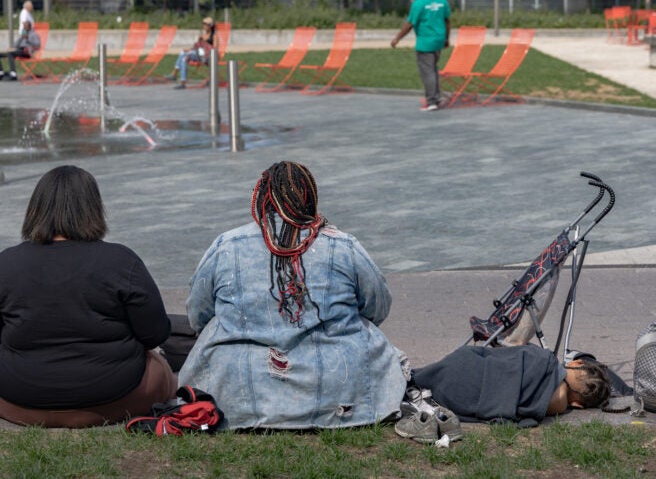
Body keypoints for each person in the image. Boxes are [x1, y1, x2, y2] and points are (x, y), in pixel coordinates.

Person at [178, 161, 407, 430]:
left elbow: (199, 312)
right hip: (338, 391)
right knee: (367, 333)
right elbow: (377, 306)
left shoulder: (227, 245)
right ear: (310, 198)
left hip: (238, 394)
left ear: (261, 198)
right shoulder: (343, 245)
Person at [0, 166, 176, 428]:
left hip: (20, 402)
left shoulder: (6, 263)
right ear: (93, 208)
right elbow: (155, 334)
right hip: (113, 398)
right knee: (159, 366)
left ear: (35, 209)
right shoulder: (121, 261)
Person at [408, 344, 611, 427]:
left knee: (420, 375)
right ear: (578, 405)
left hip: (463, 368)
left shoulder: (543, 358)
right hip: (463, 402)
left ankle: (413, 382)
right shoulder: (556, 405)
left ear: (576, 364)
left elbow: (499, 355)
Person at [391, 0, 451, 112]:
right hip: (438, 40)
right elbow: (447, 21)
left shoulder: (419, 3)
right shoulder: (442, 0)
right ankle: (436, 97)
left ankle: (432, 101)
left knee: (427, 72)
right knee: (433, 69)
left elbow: (409, 24)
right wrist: (447, 39)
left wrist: (397, 38)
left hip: (426, 42)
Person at [167, 17, 216, 89]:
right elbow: (197, 47)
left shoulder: (214, 36)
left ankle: (177, 77)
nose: (204, 26)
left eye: (206, 24)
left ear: (210, 26)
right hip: (199, 53)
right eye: (203, 24)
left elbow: (215, 48)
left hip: (206, 56)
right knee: (183, 53)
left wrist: (205, 45)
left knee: (184, 57)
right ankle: (180, 79)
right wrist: (189, 49)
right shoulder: (202, 36)